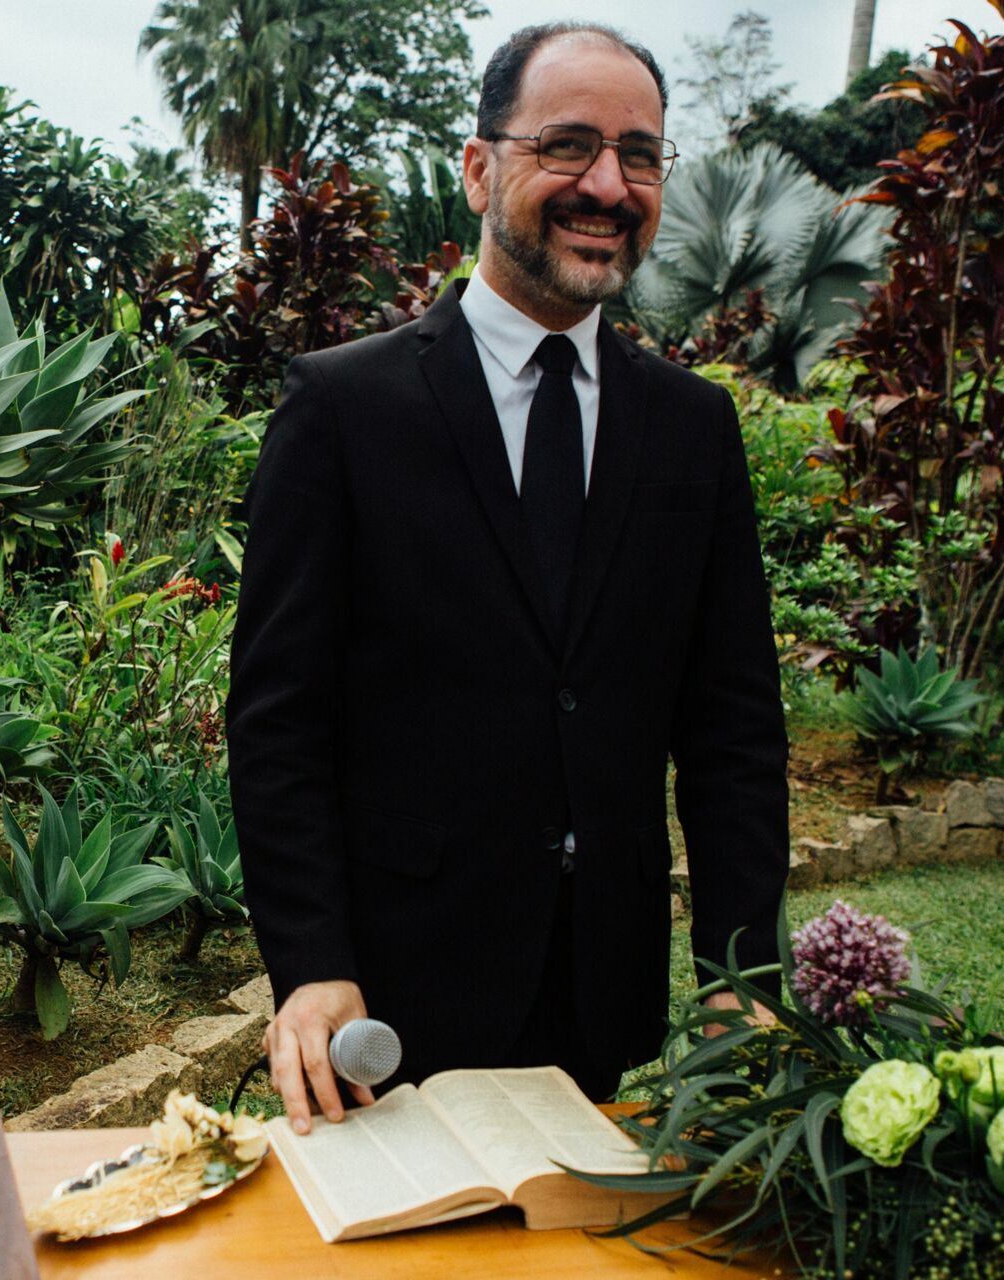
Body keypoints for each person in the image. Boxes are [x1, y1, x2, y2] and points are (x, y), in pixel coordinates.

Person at [225, 21, 788, 1136]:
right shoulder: (341, 409)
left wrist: (741, 972)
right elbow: (279, 716)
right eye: (568, 146)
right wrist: (312, 959)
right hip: (392, 1000)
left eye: (639, 155)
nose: (607, 184)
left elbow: (733, 731)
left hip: (607, 994)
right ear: (481, 168)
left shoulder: (693, 428)